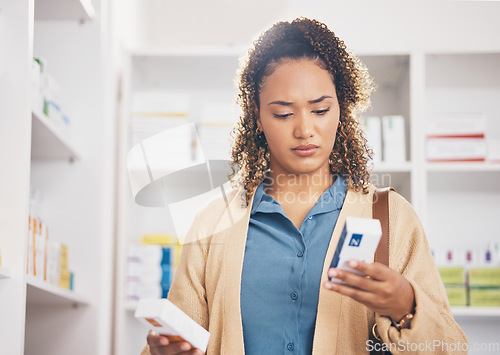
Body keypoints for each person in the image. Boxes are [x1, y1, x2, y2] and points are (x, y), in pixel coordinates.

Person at [143, 17, 467, 355]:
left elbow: (452, 348)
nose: (304, 130)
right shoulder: (212, 226)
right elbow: (175, 337)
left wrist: (406, 306)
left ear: (341, 108)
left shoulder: (391, 218)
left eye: (320, 110)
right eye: (284, 114)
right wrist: (164, 351)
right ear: (257, 116)